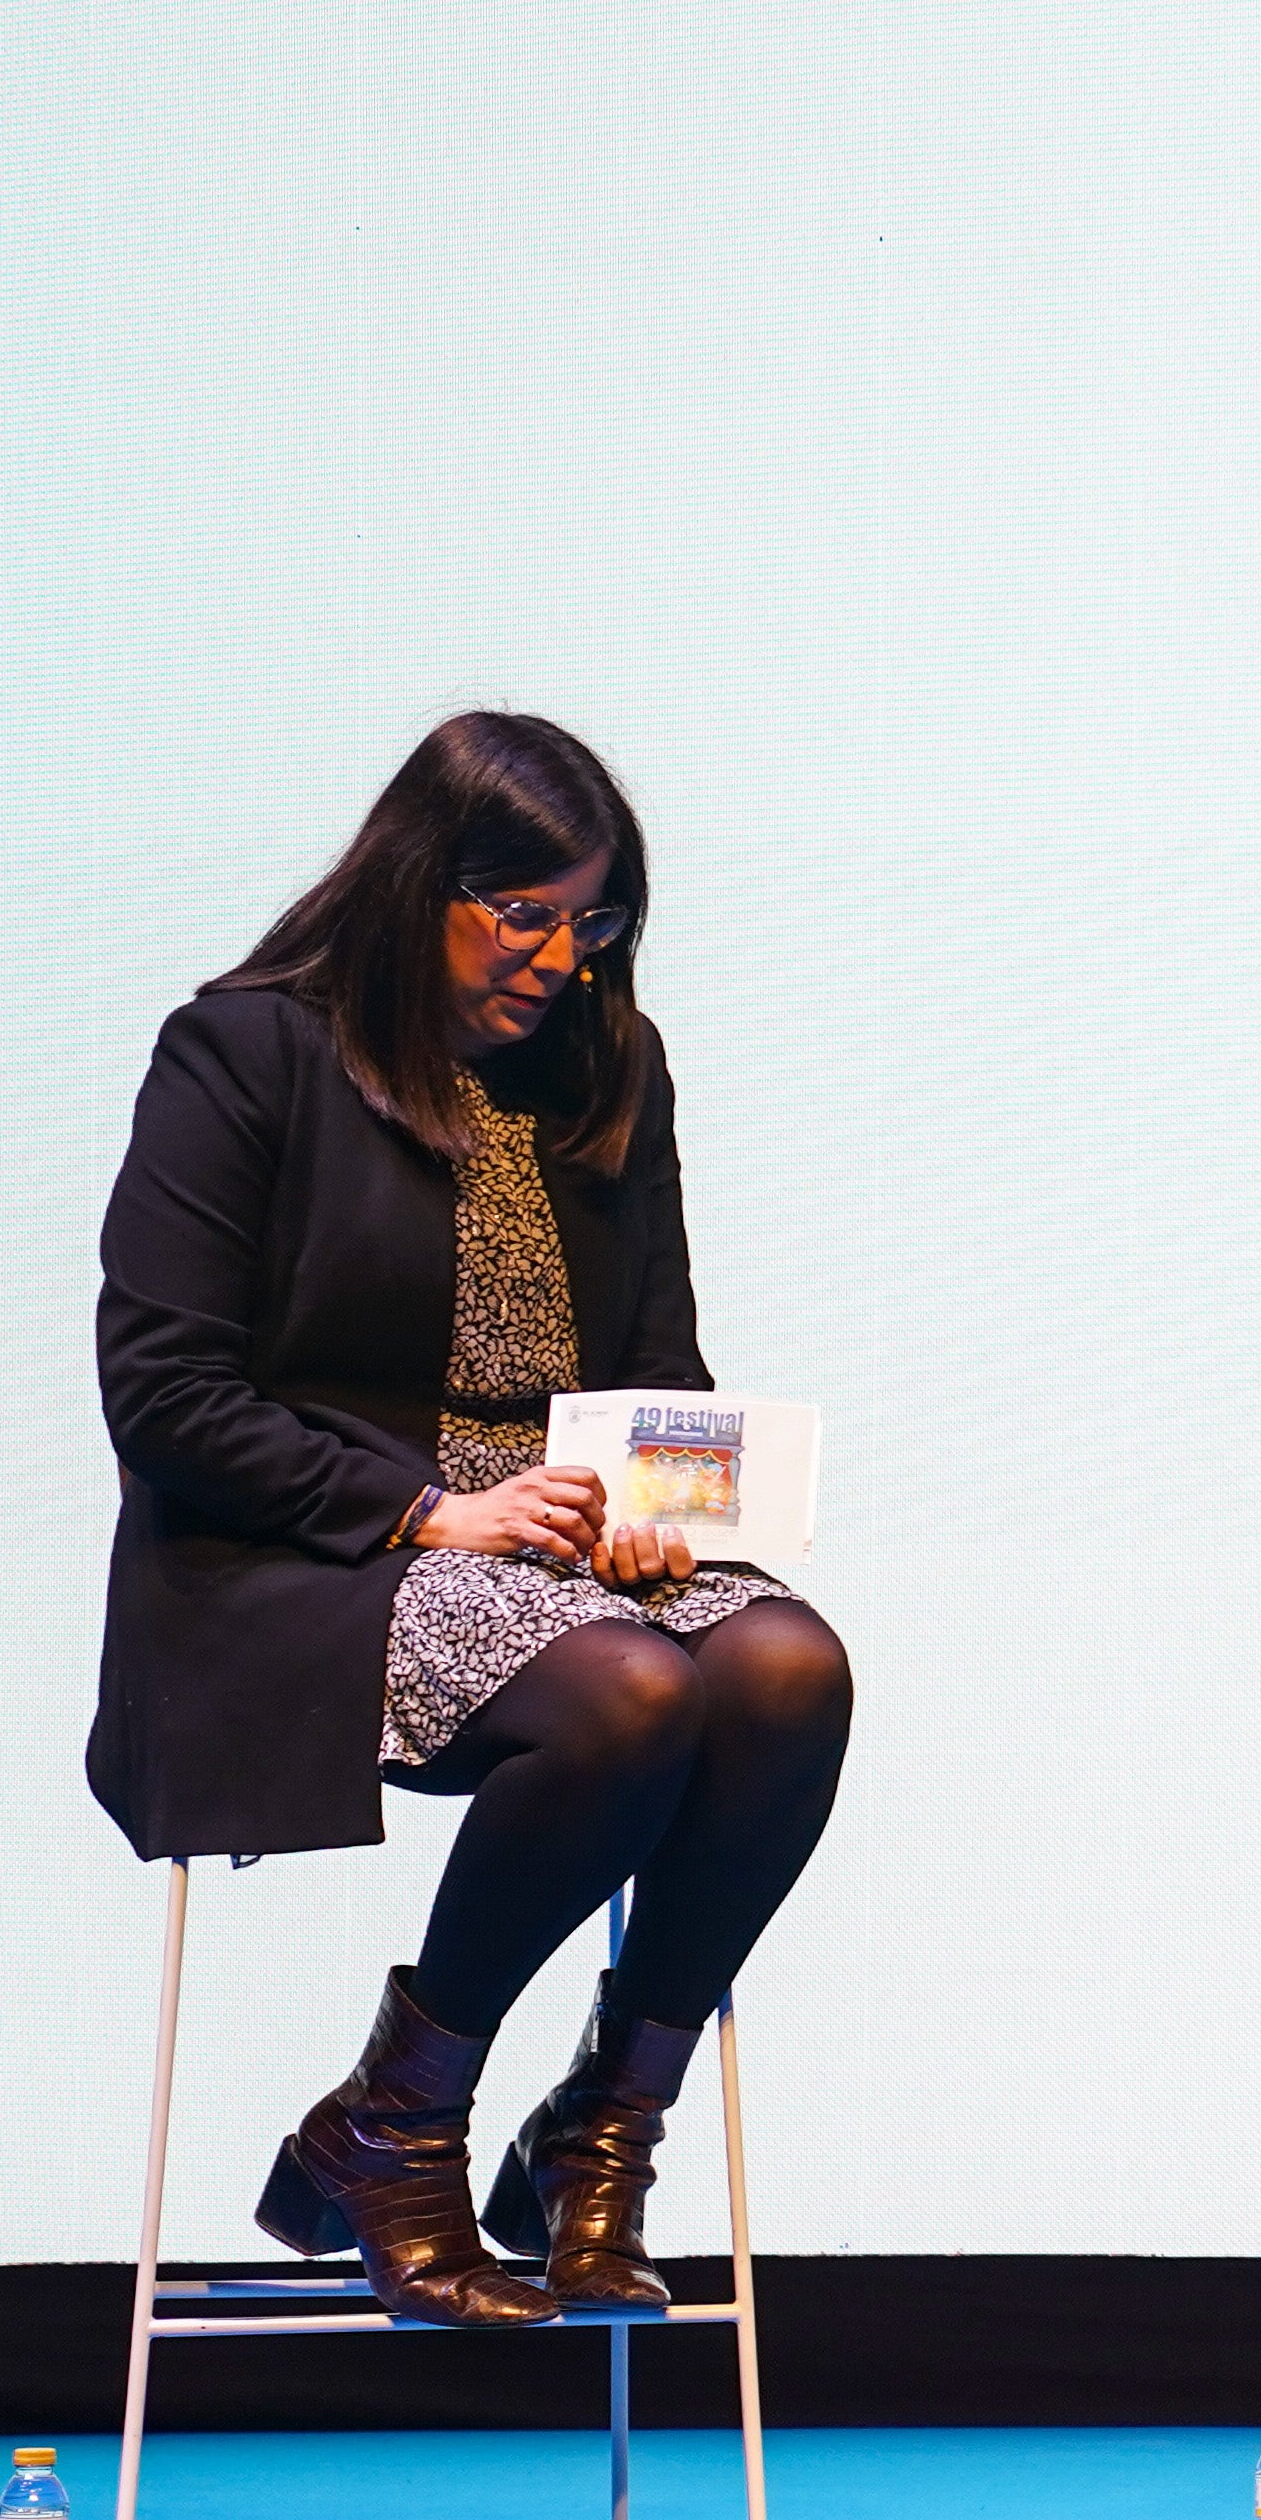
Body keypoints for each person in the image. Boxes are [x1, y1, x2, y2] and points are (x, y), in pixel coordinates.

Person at [87, 713, 858, 2331]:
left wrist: (659, 1513)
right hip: (307, 1558)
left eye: (594, 924)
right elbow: (165, 1394)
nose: (561, 959)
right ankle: (405, 2118)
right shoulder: (248, 1050)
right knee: (634, 1692)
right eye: (522, 912)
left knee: (789, 1669)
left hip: (551, 1552)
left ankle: (599, 2128)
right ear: (420, 880)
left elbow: (655, 1364)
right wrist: (435, 1512)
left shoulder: (609, 1068)